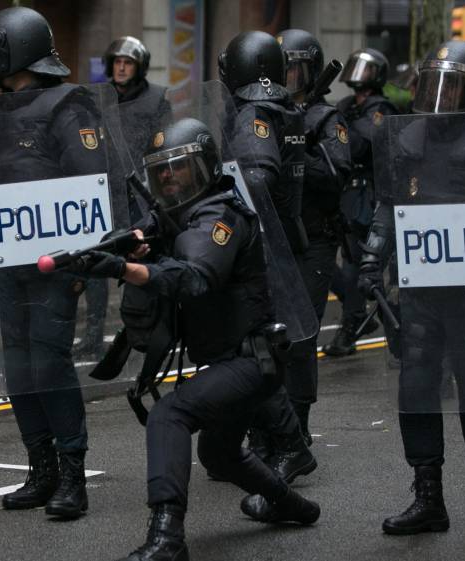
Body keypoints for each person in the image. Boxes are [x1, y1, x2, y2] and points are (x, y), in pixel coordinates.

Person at [72, 118, 320, 561]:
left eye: (178, 167)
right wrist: (112, 252)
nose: (167, 176)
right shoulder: (174, 216)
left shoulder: (219, 217)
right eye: (159, 170)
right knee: (219, 454)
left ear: (204, 168)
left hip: (251, 361)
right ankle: (293, 506)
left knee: (170, 415)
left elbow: (195, 279)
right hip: (230, 361)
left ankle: (167, 537)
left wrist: (124, 270)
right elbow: (148, 238)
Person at [359, 40, 465, 539]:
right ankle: (428, 496)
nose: (442, 97)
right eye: (434, 85)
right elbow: (388, 204)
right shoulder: (410, 137)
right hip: (421, 288)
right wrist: (372, 256)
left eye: (454, 87)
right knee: (416, 393)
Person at [0, 6, 104, 519]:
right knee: (17, 365)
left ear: (15, 51)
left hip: (53, 265)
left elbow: (89, 189)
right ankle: (40, 469)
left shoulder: (70, 107)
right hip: (7, 262)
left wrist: (84, 263)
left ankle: (71, 476)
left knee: (49, 362)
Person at [219, 30, 316, 482]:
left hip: (257, 249)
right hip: (282, 243)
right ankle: (263, 443)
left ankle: (285, 444)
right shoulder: (287, 110)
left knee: (254, 351)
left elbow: (255, 179)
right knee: (262, 349)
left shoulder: (254, 114)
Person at [276, 28, 352, 443]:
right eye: (281, 69)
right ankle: (265, 423)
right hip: (272, 238)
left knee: (301, 337)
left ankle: (297, 425)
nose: (288, 77)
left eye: (295, 70)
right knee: (265, 337)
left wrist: (297, 149)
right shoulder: (265, 113)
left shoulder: (325, 118)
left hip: (312, 240)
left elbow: (337, 174)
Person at [75, 36, 172, 358]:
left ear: (139, 67)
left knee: (142, 257)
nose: (120, 66)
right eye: (116, 61)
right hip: (100, 190)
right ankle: (92, 334)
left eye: (127, 62)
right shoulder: (95, 98)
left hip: (137, 192)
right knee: (96, 258)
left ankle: (145, 328)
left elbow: (164, 143)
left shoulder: (156, 98)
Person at [324, 48, 398, 356]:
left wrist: (339, 129)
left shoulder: (382, 109)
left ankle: (356, 324)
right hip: (345, 190)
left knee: (361, 264)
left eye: (366, 70)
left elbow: (361, 144)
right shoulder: (344, 105)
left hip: (370, 192)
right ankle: (358, 317)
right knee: (341, 262)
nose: (359, 75)